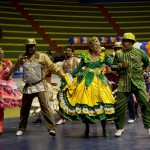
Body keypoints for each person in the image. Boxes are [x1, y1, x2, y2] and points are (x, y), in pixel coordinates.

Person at [4, 38, 70, 136]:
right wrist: (8, 75)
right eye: (29, 46)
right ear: (26, 47)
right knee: (24, 109)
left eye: (32, 46)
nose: (31, 48)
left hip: (40, 85)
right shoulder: (22, 58)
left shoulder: (43, 56)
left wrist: (63, 75)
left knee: (45, 107)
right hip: (28, 86)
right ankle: (21, 128)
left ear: (35, 47)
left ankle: (51, 129)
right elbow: (15, 68)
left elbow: (53, 67)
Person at [58, 37, 116, 137]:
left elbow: (113, 65)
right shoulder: (85, 57)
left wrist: (120, 66)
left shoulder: (103, 56)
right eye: (96, 45)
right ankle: (87, 128)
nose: (98, 46)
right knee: (86, 104)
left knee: (103, 104)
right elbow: (77, 70)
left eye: (99, 44)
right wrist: (68, 76)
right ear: (91, 47)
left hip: (100, 83)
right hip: (86, 82)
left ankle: (104, 128)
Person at [112, 32, 150, 137]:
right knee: (119, 106)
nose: (125, 43)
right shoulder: (118, 53)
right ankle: (120, 128)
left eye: (128, 41)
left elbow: (147, 61)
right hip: (123, 83)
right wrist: (120, 67)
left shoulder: (140, 52)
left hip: (138, 82)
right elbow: (113, 66)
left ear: (132, 43)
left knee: (145, 104)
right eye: (124, 41)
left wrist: (141, 70)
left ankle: (149, 126)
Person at [56, 46, 80, 125]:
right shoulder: (64, 61)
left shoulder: (76, 60)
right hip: (66, 83)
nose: (67, 52)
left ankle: (77, 115)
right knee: (61, 98)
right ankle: (62, 118)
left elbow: (82, 69)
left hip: (75, 83)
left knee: (76, 100)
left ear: (73, 52)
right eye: (66, 50)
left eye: (69, 51)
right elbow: (61, 70)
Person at [0, 47, 22, 134]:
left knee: (1, 108)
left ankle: (0, 126)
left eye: (2, 53)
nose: (2, 54)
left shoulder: (7, 63)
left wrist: (18, 62)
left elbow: (13, 70)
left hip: (5, 88)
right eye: (0, 53)